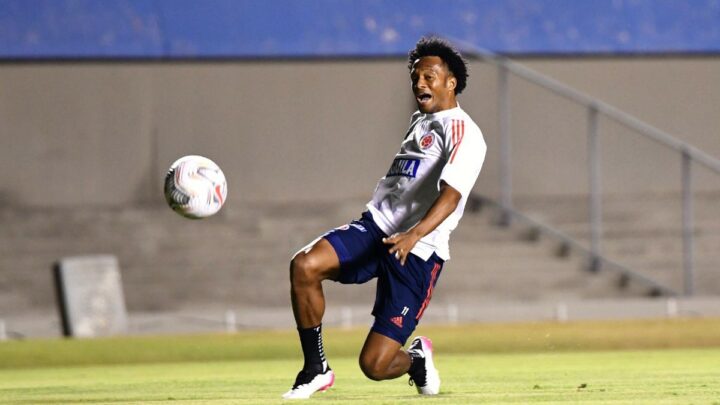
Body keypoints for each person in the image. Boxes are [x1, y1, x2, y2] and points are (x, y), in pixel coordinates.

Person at [283, 36, 487, 399]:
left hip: (418, 249)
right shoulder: (419, 121)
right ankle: (316, 368)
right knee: (304, 266)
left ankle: (416, 360)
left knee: (375, 366)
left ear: (451, 81)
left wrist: (413, 235)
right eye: (415, 77)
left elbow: (451, 196)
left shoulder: (465, 133)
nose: (419, 83)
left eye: (428, 76)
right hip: (375, 227)